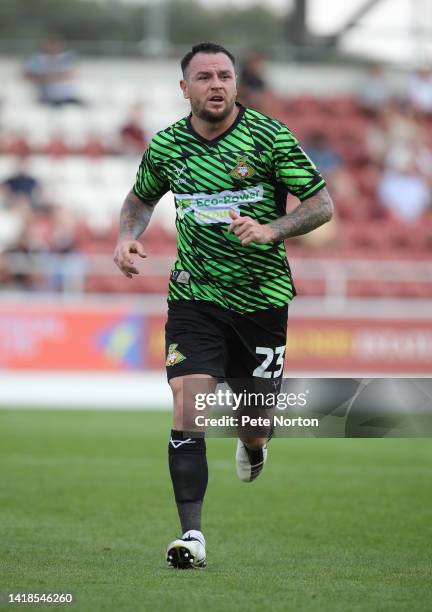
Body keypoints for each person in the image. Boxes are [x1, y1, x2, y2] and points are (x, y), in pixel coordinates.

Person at [113, 42, 333, 569]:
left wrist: (271, 229)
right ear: (184, 88)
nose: (217, 84)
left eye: (225, 75)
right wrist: (125, 237)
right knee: (188, 407)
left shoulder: (269, 137)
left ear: (236, 84)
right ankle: (192, 536)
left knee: (253, 422)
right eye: (205, 76)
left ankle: (255, 444)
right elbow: (140, 199)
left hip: (262, 300)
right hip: (195, 297)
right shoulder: (167, 147)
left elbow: (321, 204)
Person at [24, 34, 83, 107]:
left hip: (67, 97)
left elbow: (71, 74)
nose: (54, 48)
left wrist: (50, 76)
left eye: (56, 45)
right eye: (52, 45)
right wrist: (52, 77)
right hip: (49, 98)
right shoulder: (38, 60)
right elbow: (28, 76)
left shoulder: (66, 58)